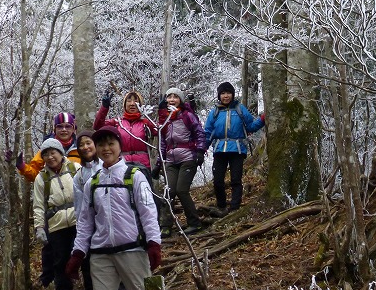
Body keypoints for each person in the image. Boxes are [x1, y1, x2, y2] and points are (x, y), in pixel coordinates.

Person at [65, 126, 161, 290]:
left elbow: (148, 212)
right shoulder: (92, 183)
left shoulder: (134, 175)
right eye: (101, 144)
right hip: (101, 254)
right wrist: (78, 254)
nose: (106, 149)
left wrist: (154, 243)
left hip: (132, 249)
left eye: (111, 144)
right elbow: (85, 222)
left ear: (120, 146)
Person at [205, 82, 265, 216]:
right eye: (223, 93)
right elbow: (207, 132)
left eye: (228, 93)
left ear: (232, 94)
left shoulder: (240, 109)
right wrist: (201, 149)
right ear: (219, 96)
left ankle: (234, 208)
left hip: (237, 150)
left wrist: (262, 120)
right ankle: (221, 207)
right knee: (218, 181)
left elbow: (250, 126)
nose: (226, 96)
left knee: (236, 180)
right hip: (220, 150)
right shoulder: (214, 112)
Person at [32, 138, 80, 290]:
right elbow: (38, 205)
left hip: (78, 221)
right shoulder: (41, 178)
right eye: (46, 154)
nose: (50, 157)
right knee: (60, 260)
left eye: (53, 152)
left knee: (85, 257)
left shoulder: (75, 168)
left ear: (60, 153)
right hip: (56, 225)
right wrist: (39, 227)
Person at [156, 87, 206, 236]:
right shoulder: (164, 119)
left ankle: (195, 223)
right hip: (171, 159)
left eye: (175, 97)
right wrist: (159, 163)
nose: (172, 99)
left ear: (181, 100)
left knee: (182, 190)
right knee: (169, 192)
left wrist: (200, 151)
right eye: (169, 97)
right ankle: (165, 226)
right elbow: (162, 143)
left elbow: (199, 133)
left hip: (188, 157)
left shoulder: (187, 116)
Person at [93, 90, 158, 170]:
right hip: (123, 164)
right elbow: (98, 126)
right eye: (129, 101)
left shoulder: (145, 122)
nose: (132, 104)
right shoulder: (117, 122)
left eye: (136, 101)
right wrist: (104, 108)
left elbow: (161, 130)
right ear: (124, 105)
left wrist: (163, 112)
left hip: (143, 165)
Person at [7, 112, 80, 182]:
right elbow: (36, 176)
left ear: (73, 129)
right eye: (60, 126)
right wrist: (22, 167)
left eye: (68, 126)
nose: (64, 130)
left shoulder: (81, 149)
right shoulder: (46, 150)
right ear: (55, 129)